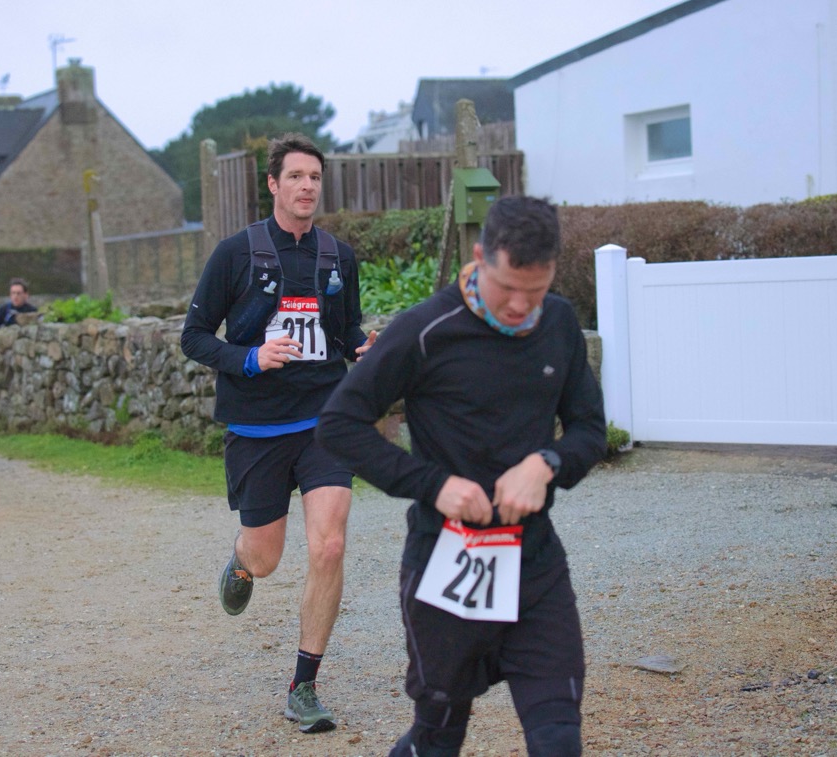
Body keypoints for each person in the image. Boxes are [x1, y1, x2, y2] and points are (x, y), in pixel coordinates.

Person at [317, 196, 608, 757]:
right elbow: (339, 424)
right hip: (446, 563)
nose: (521, 305)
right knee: (437, 739)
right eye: (508, 288)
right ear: (479, 257)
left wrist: (546, 464)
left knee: (558, 739)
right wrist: (435, 485)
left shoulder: (559, 322)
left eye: (536, 290)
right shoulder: (426, 330)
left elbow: (590, 431)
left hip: (534, 564)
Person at [180, 132, 376, 734]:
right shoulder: (235, 253)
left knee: (330, 545)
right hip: (257, 426)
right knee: (266, 558)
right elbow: (194, 337)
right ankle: (242, 561)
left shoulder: (338, 256)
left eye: (314, 177)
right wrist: (249, 358)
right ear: (273, 184)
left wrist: (364, 348)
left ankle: (304, 685)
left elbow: (344, 332)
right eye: (295, 176)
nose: (306, 186)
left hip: (324, 421)